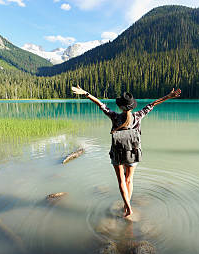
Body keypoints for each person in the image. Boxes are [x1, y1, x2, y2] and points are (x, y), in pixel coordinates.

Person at [71, 85, 181, 217]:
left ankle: (128, 207)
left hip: (117, 153)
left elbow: (100, 104)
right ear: (132, 106)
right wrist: (168, 96)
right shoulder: (138, 116)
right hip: (133, 153)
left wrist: (86, 93)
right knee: (129, 180)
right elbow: (152, 104)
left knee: (121, 181)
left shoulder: (115, 117)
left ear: (120, 107)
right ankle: (127, 206)